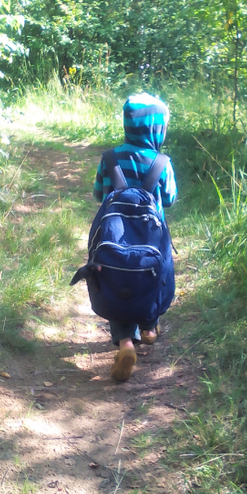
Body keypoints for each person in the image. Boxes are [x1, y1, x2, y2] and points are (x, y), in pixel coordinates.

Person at [93, 91, 177, 381]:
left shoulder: (110, 158)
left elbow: (98, 194)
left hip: (114, 236)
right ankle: (150, 326)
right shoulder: (161, 162)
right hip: (152, 238)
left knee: (117, 278)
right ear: (157, 129)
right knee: (154, 276)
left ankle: (126, 343)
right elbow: (169, 199)